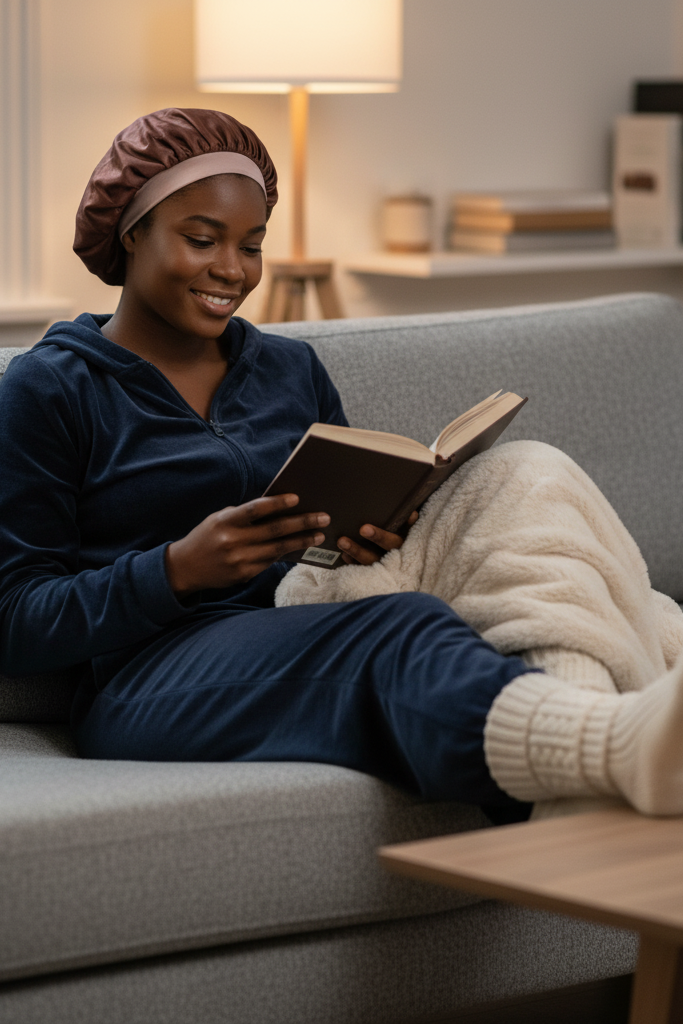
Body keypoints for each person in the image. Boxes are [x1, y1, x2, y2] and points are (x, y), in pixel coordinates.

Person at [0, 108, 682, 824]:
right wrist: (175, 570)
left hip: (309, 603)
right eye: (202, 240)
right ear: (130, 232)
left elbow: (341, 530)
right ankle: (615, 744)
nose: (232, 270)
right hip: (155, 672)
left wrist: (370, 531)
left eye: (251, 245)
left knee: (527, 471)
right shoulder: (51, 389)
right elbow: (13, 619)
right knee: (401, 629)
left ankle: (586, 756)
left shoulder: (287, 367)